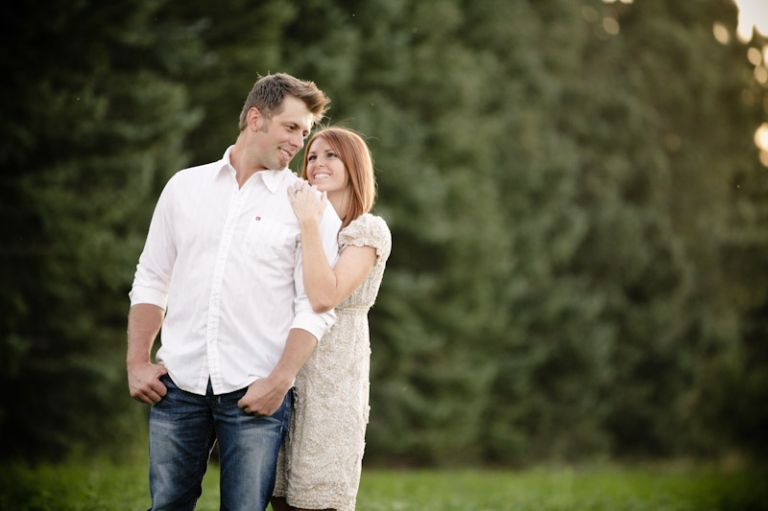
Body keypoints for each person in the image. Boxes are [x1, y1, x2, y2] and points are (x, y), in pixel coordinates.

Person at [126, 73, 342, 511]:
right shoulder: (184, 187)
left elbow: (316, 307)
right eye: (291, 127)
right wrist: (136, 361)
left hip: (255, 392)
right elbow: (152, 277)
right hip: (178, 385)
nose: (299, 142)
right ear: (255, 118)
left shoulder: (308, 205)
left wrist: (279, 381)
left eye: (305, 132)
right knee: (166, 506)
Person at [271, 127, 392, 511]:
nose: (317, 164)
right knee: (279, 495)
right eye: (311, 157)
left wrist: (309, 221)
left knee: (319, 497)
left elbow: (325, 296)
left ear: (354, 167)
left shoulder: (367, 230)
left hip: (334, 378)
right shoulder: (293, 224)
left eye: (330, 156)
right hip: (284, 365)